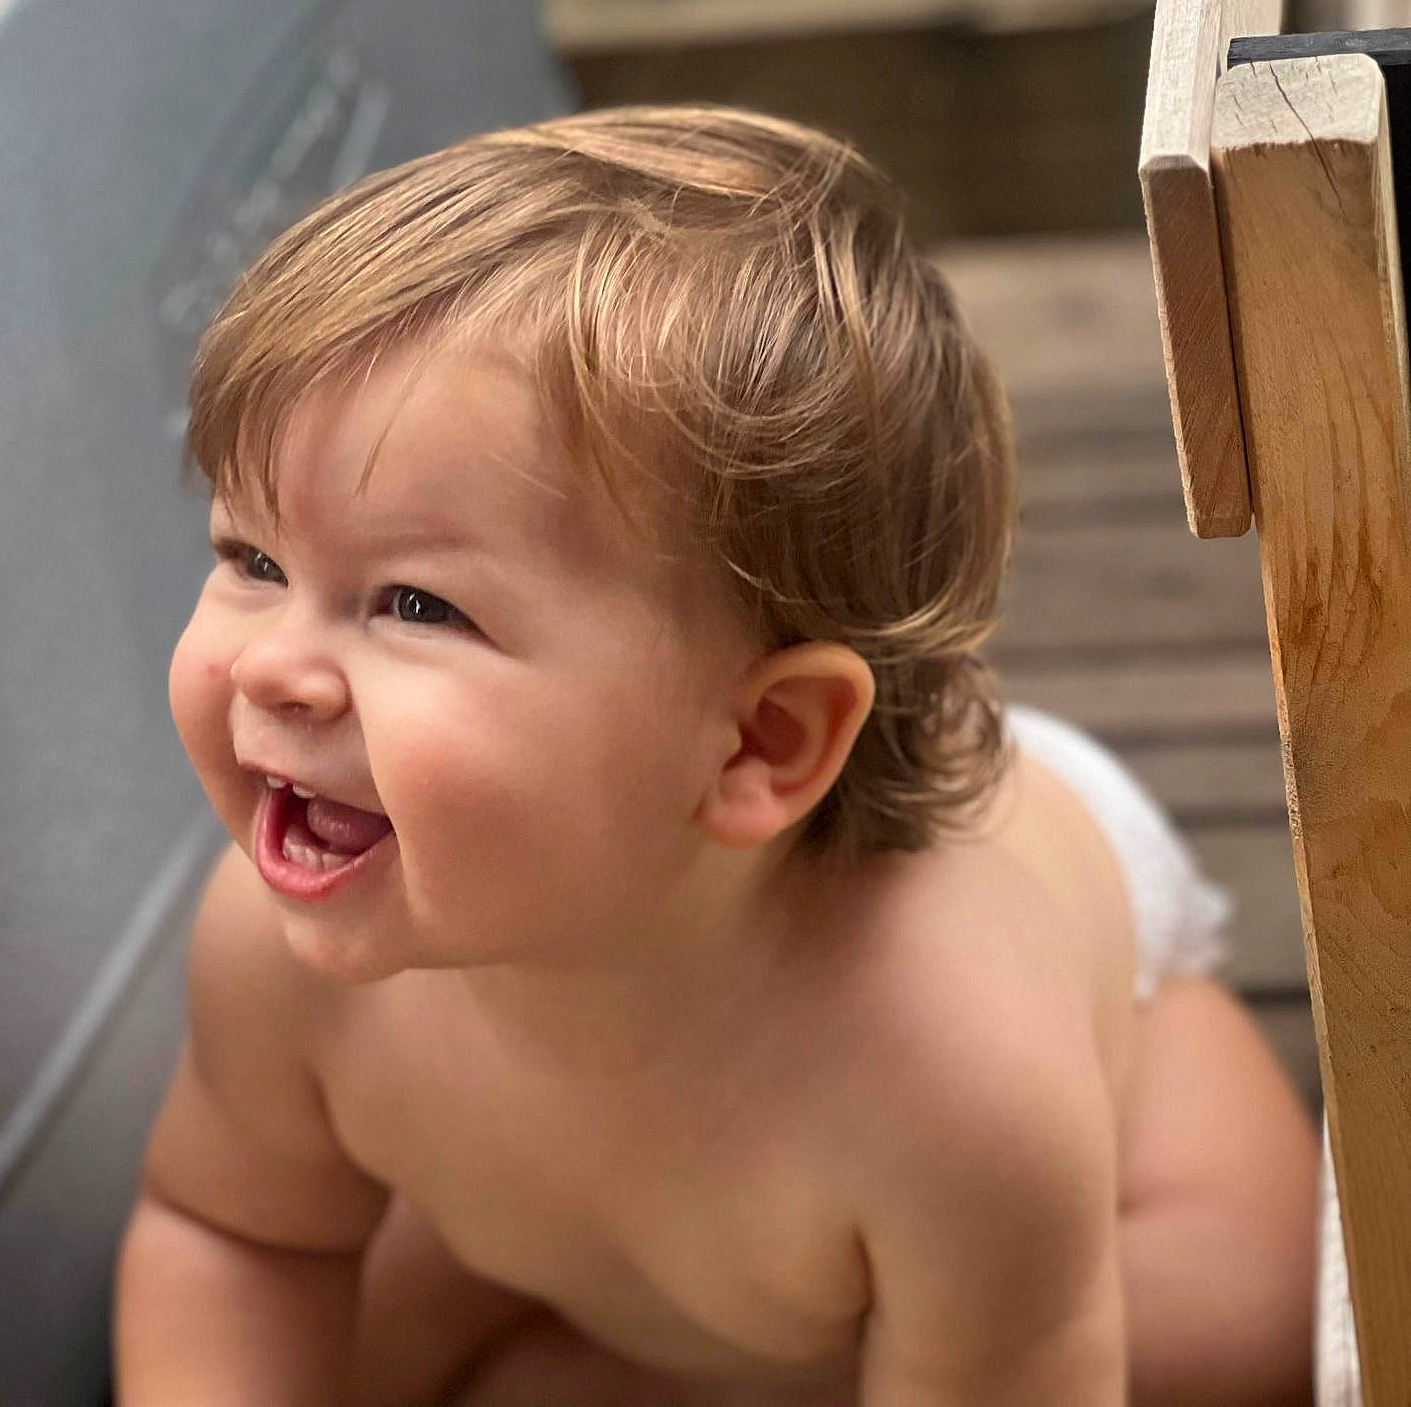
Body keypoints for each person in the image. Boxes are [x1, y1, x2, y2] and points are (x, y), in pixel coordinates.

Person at [114, 105, 1319, 1406]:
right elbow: (234, 1234)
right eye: (254, 560)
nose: (275, 668)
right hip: (636, 1138)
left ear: (756, 741)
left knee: (1236, 1327)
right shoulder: (277, 953)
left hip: (1067, 961)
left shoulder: (954, 1074)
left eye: (416, 605)